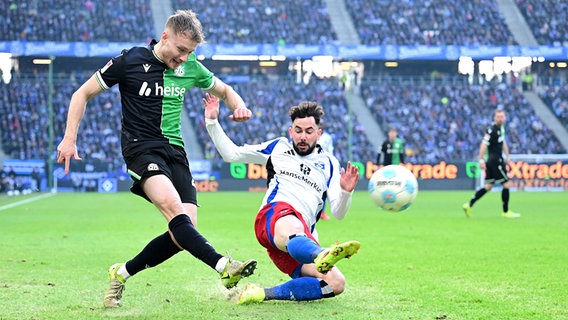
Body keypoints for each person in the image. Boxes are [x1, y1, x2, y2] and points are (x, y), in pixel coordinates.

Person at [56, 10, 257, 308]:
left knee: (183, 233)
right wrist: (70, 138)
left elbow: (225, 90)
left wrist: (239, 107)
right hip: (141, 149)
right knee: (174, 210)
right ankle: (224, 266)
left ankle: (121, 273)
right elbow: (81, 94)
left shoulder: (191, 68)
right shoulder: (129, 61)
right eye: (180, 50)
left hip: (175, 151)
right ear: (165, 37)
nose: (184, 58)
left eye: (190, 52)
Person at [203, 95, 361, 304]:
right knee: (293, 224)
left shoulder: (329, 163)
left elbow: (339, 213)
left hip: (300, 242)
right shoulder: (278, 147)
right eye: (298, 131)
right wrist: (212, 122)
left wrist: (346, 191)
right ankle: (321, 253)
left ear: (319, 134)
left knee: (336, 283)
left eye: (308, 131)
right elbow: (232, 154)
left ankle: (262, 293)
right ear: (290, 131)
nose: (302, 137)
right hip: (273, 218)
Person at [462, 109, 520, 218]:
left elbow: (503, 143)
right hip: (495, 161)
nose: (500, 119)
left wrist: (507, 156)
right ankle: (506, 211)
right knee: (506, 184)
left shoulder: (500, 130)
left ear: (505, 118)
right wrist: (480, 159)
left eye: (502, 116)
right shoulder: (492, 130)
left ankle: (469, 204)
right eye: (498, 117)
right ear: (494, 118)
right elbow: (483, 145)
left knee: (488, 186)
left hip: (494, 161)